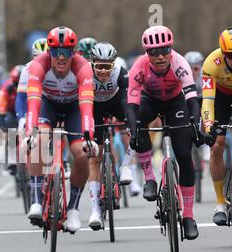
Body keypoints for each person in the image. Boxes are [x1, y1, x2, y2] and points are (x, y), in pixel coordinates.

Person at [127, 26, 202, 240]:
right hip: (149, 100)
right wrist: (133, 130)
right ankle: (149, 179)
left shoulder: (180, 64)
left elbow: (192, 100)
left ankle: (188, 216)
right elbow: (131, 106)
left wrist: (194, 124)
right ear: (146, 53)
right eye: (153, 52)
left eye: (164, 50)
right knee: (137, 124)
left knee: (184, 154)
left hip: (176, 102)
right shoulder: (139, 68)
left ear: (171, 49)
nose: (160, 56)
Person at [25, 26, 98, 232]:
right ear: (49, 52)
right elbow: (33, 101)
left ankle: (73, 209)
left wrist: (88, 137)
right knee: (39, 141)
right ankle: (37, 200)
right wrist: (31, 131)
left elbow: (86, 106)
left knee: (83, 155)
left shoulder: (83, 68)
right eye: (56, 52)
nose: (61, 57)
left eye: (66, 52)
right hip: (48, 106)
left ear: (73, 53)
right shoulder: (38, 65)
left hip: (74, 108)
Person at [87, 42, 133, 230]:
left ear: (113, 65)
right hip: (94, 106)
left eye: (107, 66)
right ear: (92, 64)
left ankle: (126, 166)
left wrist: (131, 123)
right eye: (99, 66)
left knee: (135, 128)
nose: (103, 71)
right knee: (95, 156)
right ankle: (95, 210)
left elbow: (127, 101)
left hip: (116, 102)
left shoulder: (121, 73)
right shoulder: (85, 75)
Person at [201, 28, 232, 226]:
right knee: (216, 146)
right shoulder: (212, 63)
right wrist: (209, 126)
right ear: (223, 53)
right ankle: (220, 202)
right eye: (231, 56)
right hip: (219, 99)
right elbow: (207, 101)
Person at [0, 64, 24, 175]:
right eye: (16, 84)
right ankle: (12, 163)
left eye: (20, 83)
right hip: (11, 112)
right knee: (11, 133)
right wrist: (4, 127)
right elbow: (2, 109)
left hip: (25, 111)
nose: (18, 87)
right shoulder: (6, 89)